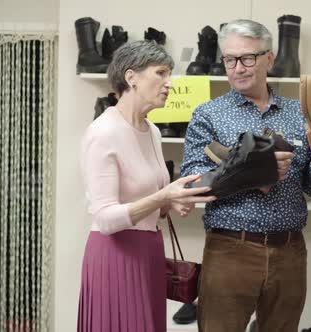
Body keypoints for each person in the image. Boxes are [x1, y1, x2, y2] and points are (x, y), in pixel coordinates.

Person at [181, 19, 311, 332]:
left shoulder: (299, 113)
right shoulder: (208, 114)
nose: (237, 68)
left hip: (290, 252)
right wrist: (255, 171)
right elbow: (194, 182)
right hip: (229, 249)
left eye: (247, 58)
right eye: (229, 59)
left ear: (269, 59)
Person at [77, 40, 216, 332]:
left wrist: (171, 202)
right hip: (115, 257)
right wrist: (163, 196)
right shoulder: (102, 133)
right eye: (161, 73)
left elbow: (150, 200)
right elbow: (105, 219)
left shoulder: (152, 130)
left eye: (170, 75)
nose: (169, 83)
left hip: (149, 252)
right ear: (131, 78)